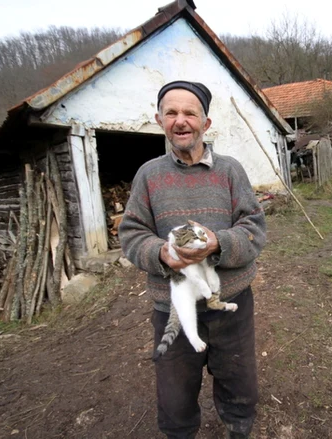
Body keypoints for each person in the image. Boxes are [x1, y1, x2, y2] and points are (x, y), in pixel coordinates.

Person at [119, 80, 266, 439]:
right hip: (174, 305)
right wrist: (161, 254)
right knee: (175, 396)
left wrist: (218, 243)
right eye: (171, 113)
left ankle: (238, 429)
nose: (180, 120)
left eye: (190, 113)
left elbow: (254, 229)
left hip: (231, 300)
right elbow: (131, 233)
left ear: (206, 123)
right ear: (159, 120)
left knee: (238, 380)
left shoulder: (230, 171)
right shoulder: (149, 175)